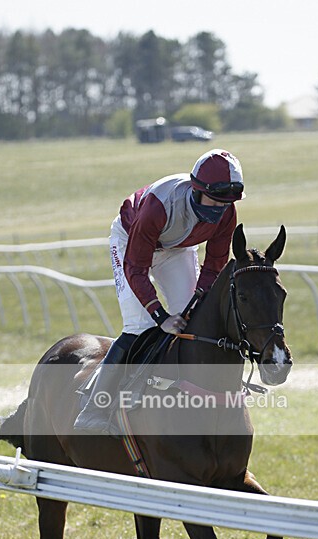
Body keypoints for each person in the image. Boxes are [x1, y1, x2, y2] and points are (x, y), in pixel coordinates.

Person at [73, 148, 245, 433]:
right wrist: (159, 315)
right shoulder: (158, 206)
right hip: (131, 242)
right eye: (214, 201)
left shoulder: (227, 211)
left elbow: (215, 264)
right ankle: (94, 409)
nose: (218, 210)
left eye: (225, 205)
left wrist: (197, 300)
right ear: (196, 189)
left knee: (192, 318)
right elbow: (136, 268)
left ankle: (179, 390)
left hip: (176, 248)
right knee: (140, 325)